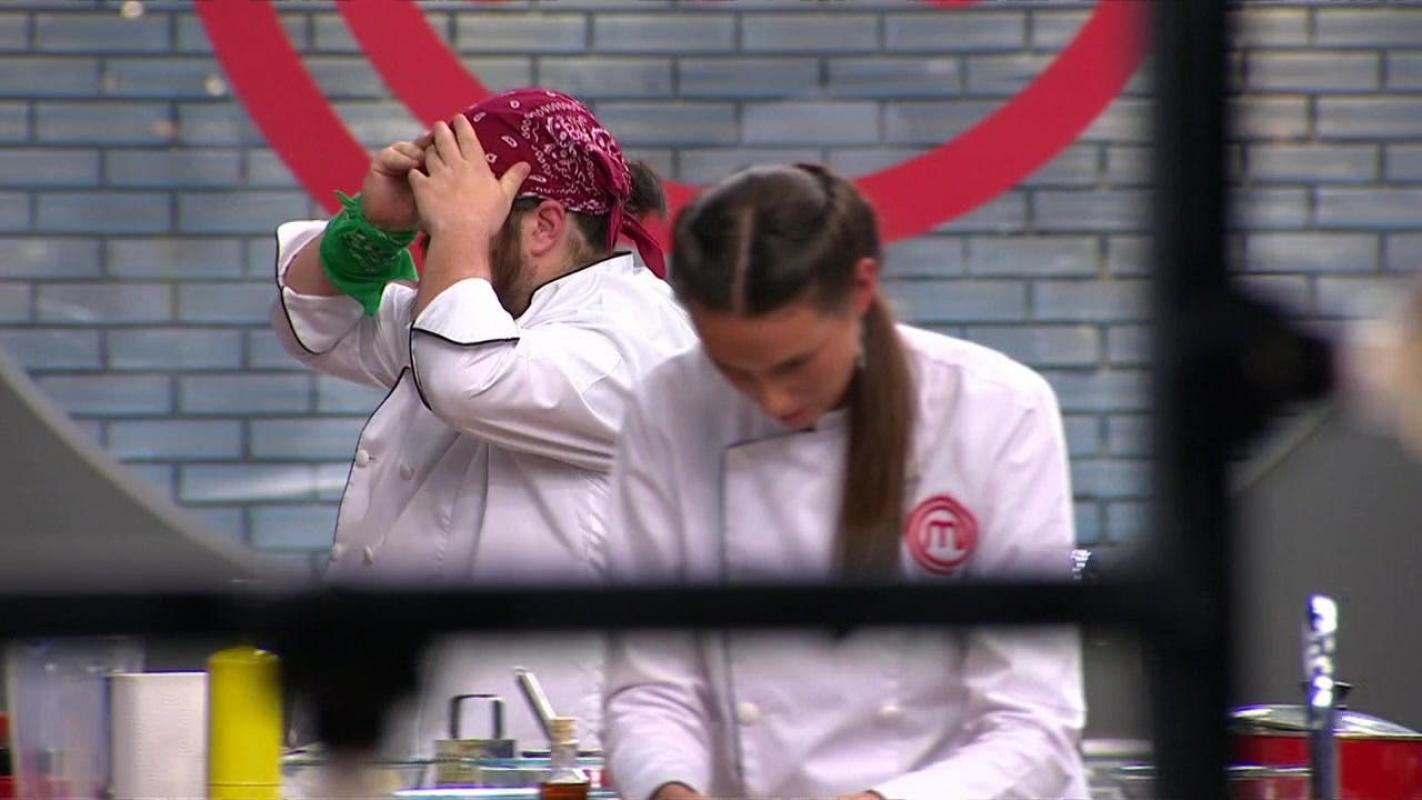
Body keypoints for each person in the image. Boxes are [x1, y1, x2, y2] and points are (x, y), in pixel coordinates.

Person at [600, 164, 1089, 800]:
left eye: (795, 364)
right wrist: (671, 789)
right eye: (734, 369)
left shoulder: (997, 410)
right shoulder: (669, 405)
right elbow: (650, 688)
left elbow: (1034, 723)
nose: (772, 399)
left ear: (861, 287)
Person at [269, 88, 696, 753]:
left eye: (454, 221)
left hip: (550, 757)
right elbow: (321, 323)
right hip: (423, 738)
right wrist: (372, 229)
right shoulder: (488, 304)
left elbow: (467, 376)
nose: (433, 242)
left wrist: (459, 233)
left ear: (544, 226)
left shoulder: (638, 340)